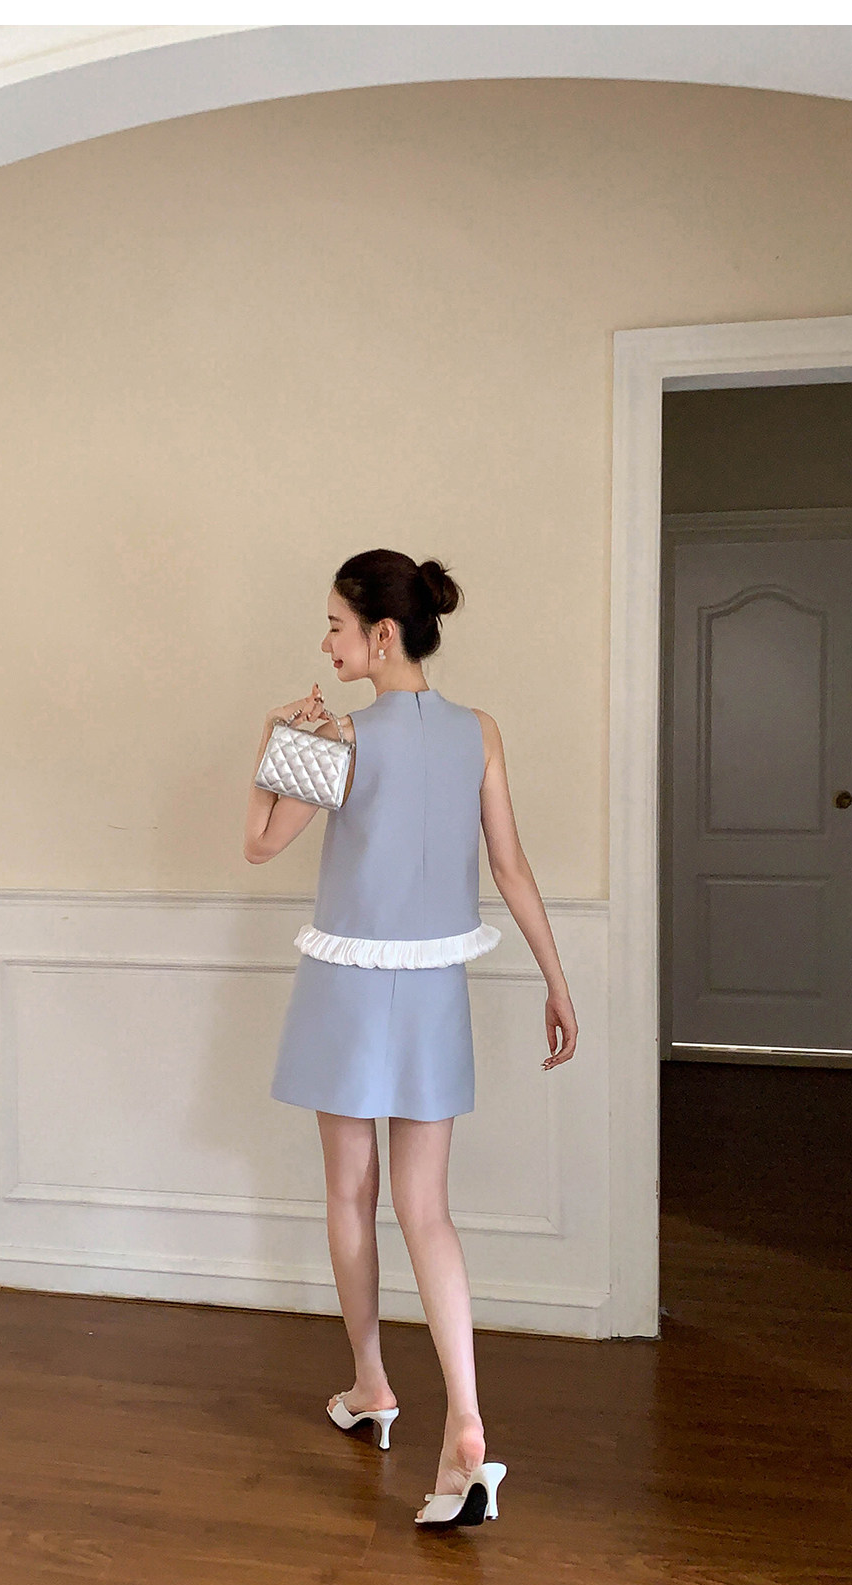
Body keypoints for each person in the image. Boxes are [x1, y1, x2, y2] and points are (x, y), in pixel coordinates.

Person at [243, 548, 578, 1528]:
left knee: (351, 1193)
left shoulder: (341, 737)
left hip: (347, 990)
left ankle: (372, 1385)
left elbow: (259, 842)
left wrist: (271, 740)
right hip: (433, 995)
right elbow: (511, 868)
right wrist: (558, 981)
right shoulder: (480, 732)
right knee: (428, 1213)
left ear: (381, 634)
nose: (327, 642)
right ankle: (465, 1422)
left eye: (336, 625)